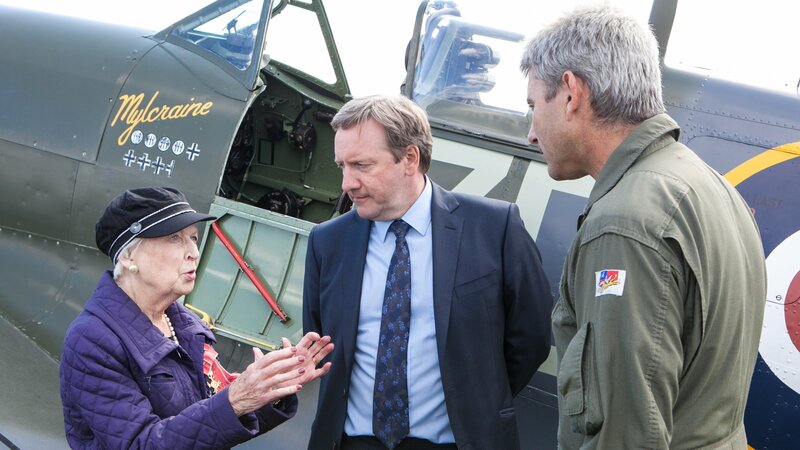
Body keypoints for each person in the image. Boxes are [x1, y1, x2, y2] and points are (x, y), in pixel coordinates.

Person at [520, 6, 767, 449]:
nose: (531, 133)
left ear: (572, 92)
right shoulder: (710, 187)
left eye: (534, 105)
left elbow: (625, 435)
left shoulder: (626, 221)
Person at [302, 94, 553, 450]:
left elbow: (532, 337)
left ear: (409, 159)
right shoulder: (327, 242)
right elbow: (321, 337)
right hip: (351, 442)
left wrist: (478, 400)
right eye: (342, 165)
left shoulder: (494, 228)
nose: (347, 183)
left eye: (361, 165)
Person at [59, 186, 334, 449]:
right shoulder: (92, 341)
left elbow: (208, 432)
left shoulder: (184, 324)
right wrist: (235, 400)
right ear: (130, 257)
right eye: (174, 238)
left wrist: (270, 388)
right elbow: (139, 443)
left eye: (193, 237)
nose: (193, 252)